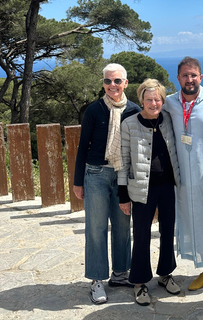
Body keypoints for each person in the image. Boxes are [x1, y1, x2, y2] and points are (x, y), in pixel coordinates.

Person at [73, 63, 141, 304]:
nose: (112, 85)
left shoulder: (134, 110)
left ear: (125, 83)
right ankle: (97, 279)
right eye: (108, 81)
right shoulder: (94, 110)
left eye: (117, 81)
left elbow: (138, 148)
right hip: (96, 174)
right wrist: (77, 181)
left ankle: (121, 274)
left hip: (123, 175)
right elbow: (83, 147)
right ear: (103, 83)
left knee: (123, 226)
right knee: (96, 228)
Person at [162, 56, 203, 291]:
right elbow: (148, 111)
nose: (189, 79)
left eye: (193, 75)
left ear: (201, 77)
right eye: (185, 75)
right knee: (197, 223)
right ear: (177, 78)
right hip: (184, 180)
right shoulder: (169, 103)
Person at [118, 79, 181, 306]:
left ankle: (166, 274)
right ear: (142, 100)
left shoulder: (169, 120)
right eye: (149, 99)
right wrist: (123, 195)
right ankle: (139, 282)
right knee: (142, 235)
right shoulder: (129, 123)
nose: (153, 103)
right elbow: (123, 161)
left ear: (162, 100)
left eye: (157, 99)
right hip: (141, 189)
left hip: (167, 186)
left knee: (168, 231)